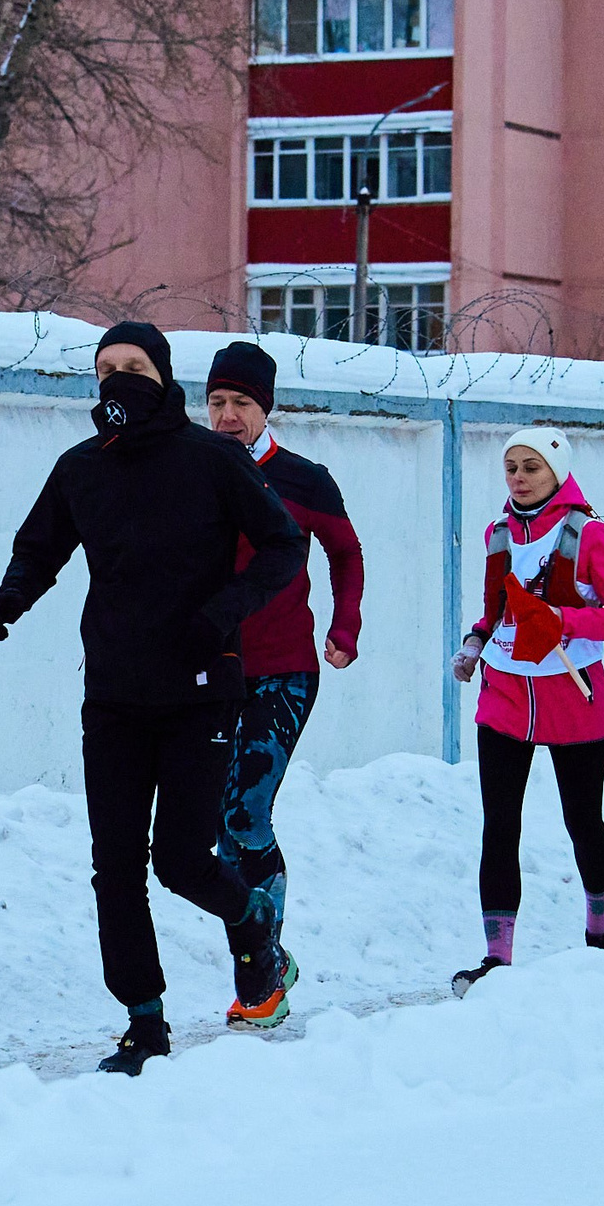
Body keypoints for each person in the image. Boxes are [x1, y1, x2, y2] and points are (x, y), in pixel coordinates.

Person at [0, 321, 305, 1073]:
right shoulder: (81, 467)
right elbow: (40, 547)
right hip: (114, 696)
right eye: (106, 369)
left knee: (183, 861)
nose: (119, 379)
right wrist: (12, 597)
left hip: (199, 693)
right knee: (117, 868)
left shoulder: (211, 458)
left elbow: (285, 545)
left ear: (162, 375)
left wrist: (223, 613)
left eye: (134, 365)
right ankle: (144, 1022)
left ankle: (253, 918)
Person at [201, 341, 363, 1028]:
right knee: (219, 831)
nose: (228, 416)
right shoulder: (192, 472)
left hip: (286, 671)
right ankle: (266, 959)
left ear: (266, 408)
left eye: (241, 403)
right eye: (216, 402)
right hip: (211, 673)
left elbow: (346, 551)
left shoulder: (303, 480)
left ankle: (262, 977)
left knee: (246, 815)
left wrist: (345, 625)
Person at [449, 430, 604, 994]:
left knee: (582, 820)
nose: (518, 477)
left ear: (557, 472)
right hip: (505, 694)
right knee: (499, 825)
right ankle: (497, 958)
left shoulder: (588, 532)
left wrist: (564, 621)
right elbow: (495, 609)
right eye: (511, 466)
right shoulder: (498, 533)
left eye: (531, 467)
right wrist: (474, 643)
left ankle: (600, 927)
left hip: (572, 695)